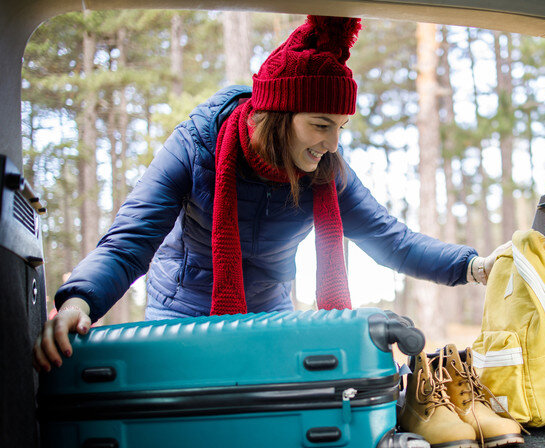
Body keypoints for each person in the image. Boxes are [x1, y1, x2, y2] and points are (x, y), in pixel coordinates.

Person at [33, 15, 505, 372]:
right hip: (181, 308)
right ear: (277, 117)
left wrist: (472, 266)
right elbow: (131, 238)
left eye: (340, 127)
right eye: (321, 125)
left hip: (271, 312)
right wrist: (80, 300)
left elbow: (391, 240)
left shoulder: (327, 172)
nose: (331, 144)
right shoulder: (196, 146)